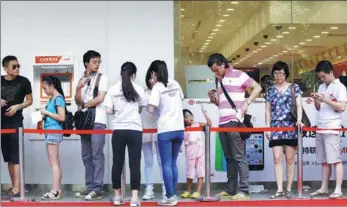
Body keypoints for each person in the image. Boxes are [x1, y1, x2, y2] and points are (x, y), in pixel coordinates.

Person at [207, 53, 261, 200]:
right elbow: (222, 102)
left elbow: (257, 87)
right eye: (213, 71)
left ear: (223, 64)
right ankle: (231, 189)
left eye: (217, 69)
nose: (216, 73)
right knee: (229, 157)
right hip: (222, 122)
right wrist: (215, 100)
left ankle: (244, 190)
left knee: (238, 156)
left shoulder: (239, 75)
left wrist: (247, 102)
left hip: (234, 120)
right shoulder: (220, 79)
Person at [103, 62, 146, 206]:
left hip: (118, 130)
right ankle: (134, 199)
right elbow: (142, 106)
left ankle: (117, 197)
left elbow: (108, 110)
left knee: (117, 162)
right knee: (135, 163)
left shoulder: (113, 89)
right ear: (133, 75)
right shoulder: (139, 89)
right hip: (134, 130)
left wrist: (117, 112)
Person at [147, 60, 185, 206]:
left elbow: (151, 109)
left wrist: (153, 105)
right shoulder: (175, 83)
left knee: (166, 164)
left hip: (166, 129)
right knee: (173, 163)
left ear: (154, 73)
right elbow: (181, 98)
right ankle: (173, 194)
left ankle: (170, 197)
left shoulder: (157, 87)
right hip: (179, 128)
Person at [264, 61, 304, 199]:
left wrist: (299, 119)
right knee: (276, 158)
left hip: (290, 125)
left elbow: (299, 105)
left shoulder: (294, 87)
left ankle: (288, 189)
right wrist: (267, 127)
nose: (278, 75)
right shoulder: (270, 89)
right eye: (275, 73)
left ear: (286, 73)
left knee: (290, 158)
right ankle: (279, 189)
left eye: (281, 73)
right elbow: (268, 110)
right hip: (275, 126)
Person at [74, 50, 108, 200]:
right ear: (86, 63)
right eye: (94, 62)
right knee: (86, 155)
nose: (97, 64)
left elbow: (100, 98)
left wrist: (84, 106)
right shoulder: (82, 79)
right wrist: (78, 88)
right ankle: (90, 186)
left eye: (99, 62)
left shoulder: (102, 78)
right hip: (84, 122)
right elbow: (77, 101)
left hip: (98, 120)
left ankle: (98, 188)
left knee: (97, 154)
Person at [310, 60, 346, 199]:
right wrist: (316, 100)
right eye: (320, 77)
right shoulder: (321, 86)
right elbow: (319, 108)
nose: (322, 79)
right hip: (321, 126)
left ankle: (338, 189)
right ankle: (324, 187)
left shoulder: (340, 87)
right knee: (324, 161)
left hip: (332, 127)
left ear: (331, 72)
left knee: (335, 160)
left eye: (324, 76)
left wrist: (326, 100)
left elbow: (342, 107)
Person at [1, 55, 33, 199]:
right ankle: (14, 186)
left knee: (16, 157)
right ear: (5, 68)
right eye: (14, 66)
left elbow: (30, 100)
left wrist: (18, 106)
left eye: (18, 65)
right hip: (2, 124)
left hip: (15, 123)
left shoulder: (24, 81)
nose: (17, 68)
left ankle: (17, 189)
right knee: (8, 157)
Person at [39, 76, 66, 200]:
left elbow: (62, 117)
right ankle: (57, 190)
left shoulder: (58, 98)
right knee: (54, 161)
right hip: (50, 131)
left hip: (54, 131)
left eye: (45, 88)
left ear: (51, 86)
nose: (44, 90)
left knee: (53, 161)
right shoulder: (52, 99)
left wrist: (46, 112)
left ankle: (55, 190)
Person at [141, 69, 166, 200]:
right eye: (150, 77)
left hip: (160, 128)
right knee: (148, 161)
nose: (152, 80)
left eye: (154, 77)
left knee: (162, 161)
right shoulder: (143, 92)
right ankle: (149, 188)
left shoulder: (163, 90)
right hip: (145, 128)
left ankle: (165, 188)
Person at [180, 106, 211, 199]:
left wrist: (206, 114)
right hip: (190, 154)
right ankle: (188, 191)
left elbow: (209, 124)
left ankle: (197, 192)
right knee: (190, 173)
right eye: (187, 116)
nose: (190, 117)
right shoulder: (181, 128)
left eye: (191, 115)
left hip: (200, 152)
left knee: (200, 172)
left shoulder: (197, 124)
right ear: (183, 119)